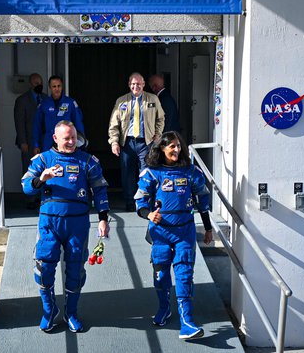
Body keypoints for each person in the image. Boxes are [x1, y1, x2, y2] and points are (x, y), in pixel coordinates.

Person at [22, 120, 110, 333]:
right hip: (49, 223)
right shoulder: (43, 159)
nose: (71, 142)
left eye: (73, 137)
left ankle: (71, 313)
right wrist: (40, 179)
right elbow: (25, 186)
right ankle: (49, 311)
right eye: (66, 138)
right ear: (55, 138)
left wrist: (103, 218)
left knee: (75, 271)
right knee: (43, 268)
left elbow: (100, 190)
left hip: (77, 224)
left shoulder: (88, 161)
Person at [134, 131, 213, 340]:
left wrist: (207, 228)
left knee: (185, 274)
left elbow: (203, 200)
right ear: (162, 149)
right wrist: (149, 214)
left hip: (185, 231)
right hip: (160, 233)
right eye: (172, 147)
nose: (177, 150)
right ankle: (164, 309)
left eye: (179, 146)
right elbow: (140, 201)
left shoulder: (191, 172)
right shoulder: (152, 173)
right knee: (161, 275)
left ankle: (187, 321)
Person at [108, 72, 164, 211]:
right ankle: (129, 202)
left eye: (138, 84)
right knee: (127, 173)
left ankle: (144, 202)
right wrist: (114, 142)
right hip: (127, 142)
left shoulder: (152, 99)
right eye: (133, 84)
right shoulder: (121, 101)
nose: (135, 86)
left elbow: (161, 118)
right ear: (129, 85)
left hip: (145, 142)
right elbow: (113, 123)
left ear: (144, 84)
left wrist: (158, 134)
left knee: (146, 172)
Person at [14, 73, 47, 209]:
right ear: (30, 84)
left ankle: (42, 197)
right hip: (28, 141)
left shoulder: (46, 99)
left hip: (44, 141)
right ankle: (30, 198)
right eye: (35, 83)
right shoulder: (22, 100)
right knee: (29, 168)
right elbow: (19, 123)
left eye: (40, 82)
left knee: (44, 168)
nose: (38, 85)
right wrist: (22, 142)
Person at [32, 75, 85, 155]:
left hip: (67, 141)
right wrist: (36, 144)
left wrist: (81, 142)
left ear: (62, 86)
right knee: (49, 164)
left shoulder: (70, 103)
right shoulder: (44, 104)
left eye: (59, 86)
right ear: (50, 87)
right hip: (48, 142)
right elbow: (37, 126)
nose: (57, 89)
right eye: (54, 86)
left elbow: (78, 123)